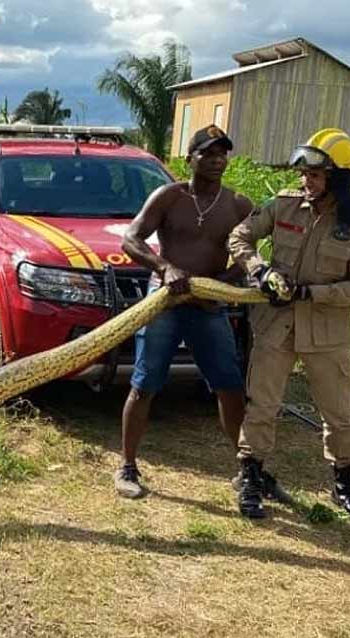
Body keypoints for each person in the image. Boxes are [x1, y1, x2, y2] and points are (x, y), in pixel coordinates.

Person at [228, 128, 350, 520]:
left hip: (326, 334)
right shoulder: (284, 205)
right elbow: (240, 237)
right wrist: (260, 270)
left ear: (339, 178)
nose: (305, 181)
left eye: (315, 175)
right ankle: (251, 478)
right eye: (304, 174)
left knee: (338, 413)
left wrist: (308, 293)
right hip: (275, 327)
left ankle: (344, 484)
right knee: (262, 405)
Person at [113, 125, 256, 499]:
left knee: (229, 387)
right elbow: (131, 239)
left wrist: (220, 284)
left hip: (208, 306)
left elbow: (249, 257)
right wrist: (165, 268)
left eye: (222, 154)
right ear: (190, 158)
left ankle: (248, 469)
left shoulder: (238, 205)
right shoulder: (169, 197)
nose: (216, 160)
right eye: (207, 153)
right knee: (144, 384)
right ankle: (127, 466)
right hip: (165, 302)